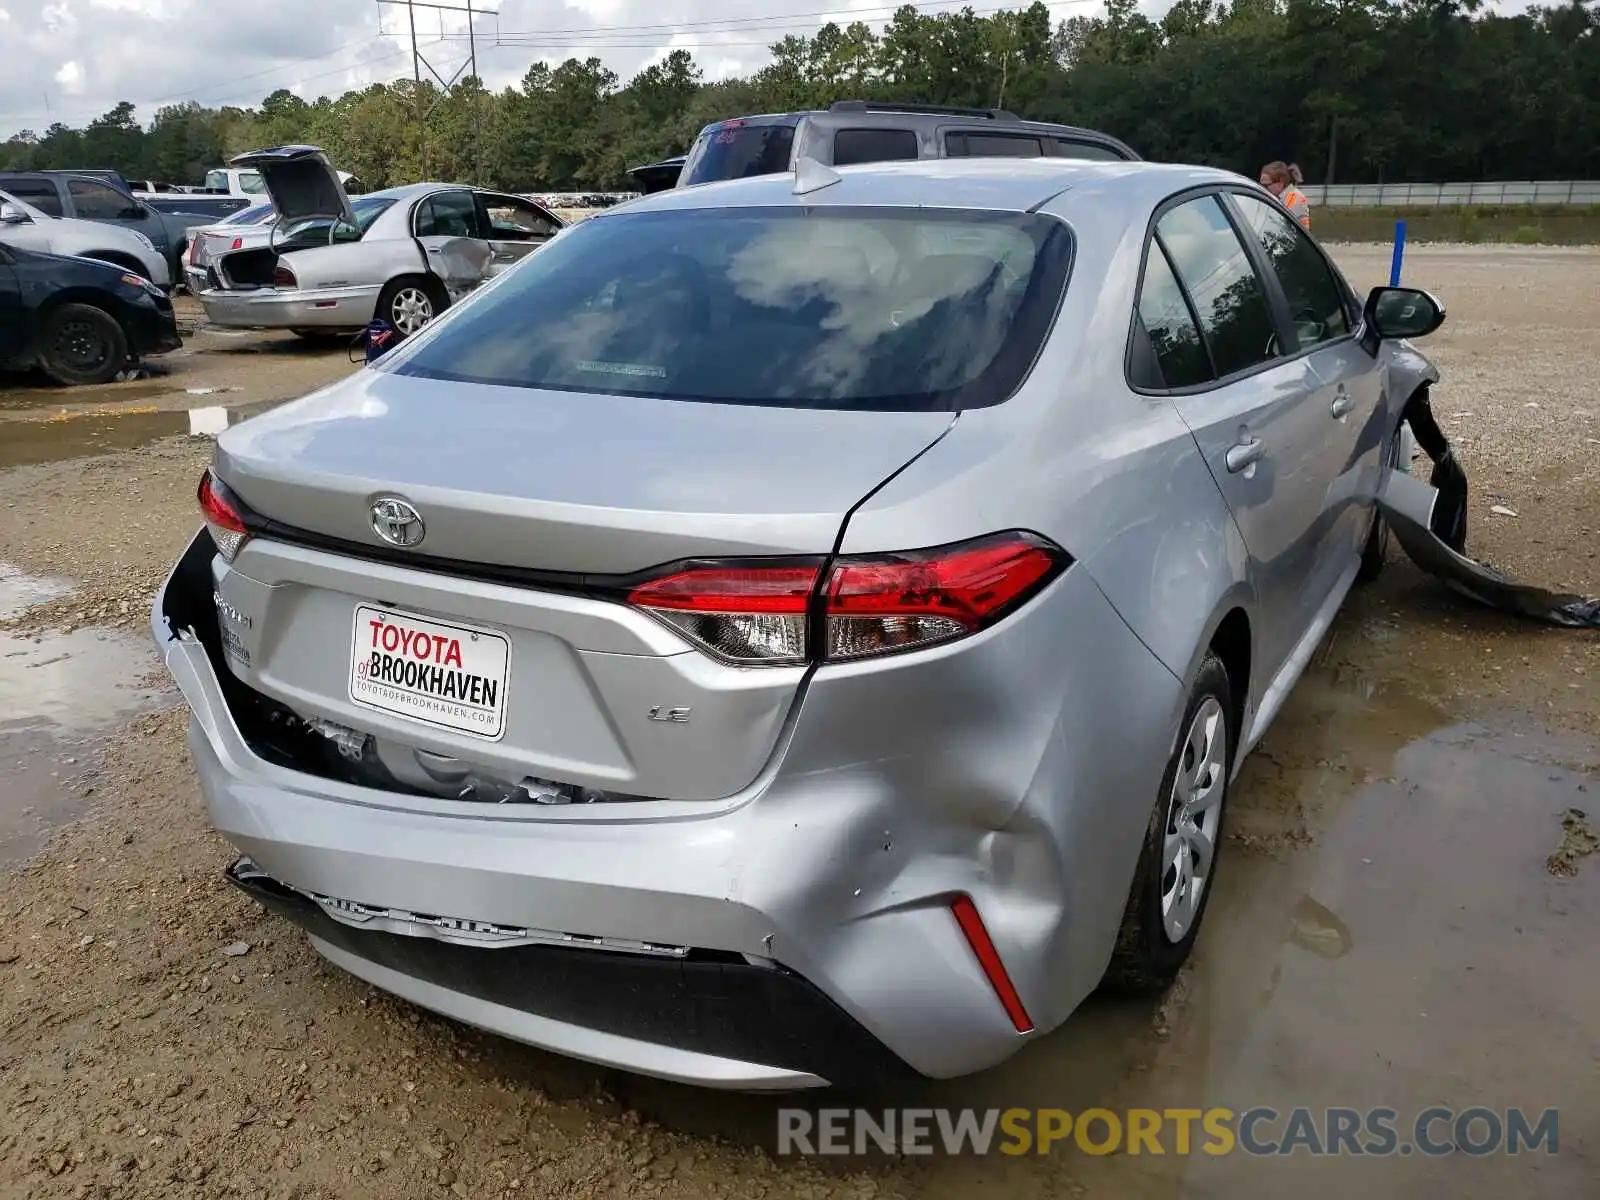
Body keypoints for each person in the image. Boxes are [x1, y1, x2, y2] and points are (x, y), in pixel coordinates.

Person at [1259, 161, 1311, 230]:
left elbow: (1284, 229)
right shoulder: (1279, 197)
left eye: (1266, 186)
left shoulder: (1294, 199)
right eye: (1260, 185)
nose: (1262, 189)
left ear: (1280, 183)